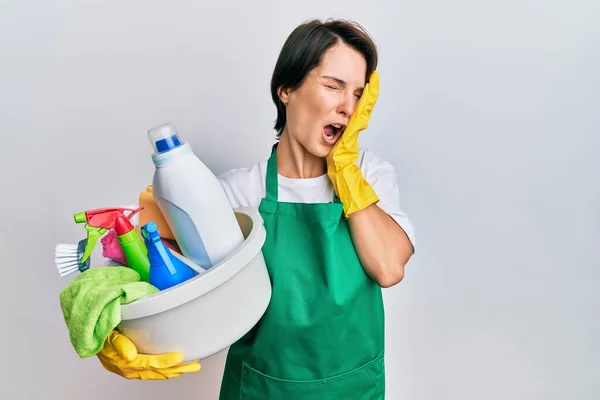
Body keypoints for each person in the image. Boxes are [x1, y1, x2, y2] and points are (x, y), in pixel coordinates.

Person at [96, 18, 416, 399]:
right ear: (286, 89)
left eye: (358, 95)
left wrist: (345, 170)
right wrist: (111, 331)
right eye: (333, 86)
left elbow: (388, 267)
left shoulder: (370, 177)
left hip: (351, 387)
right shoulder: (235, 193)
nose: (347, 107)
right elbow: (142, 265)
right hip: (259, 389)